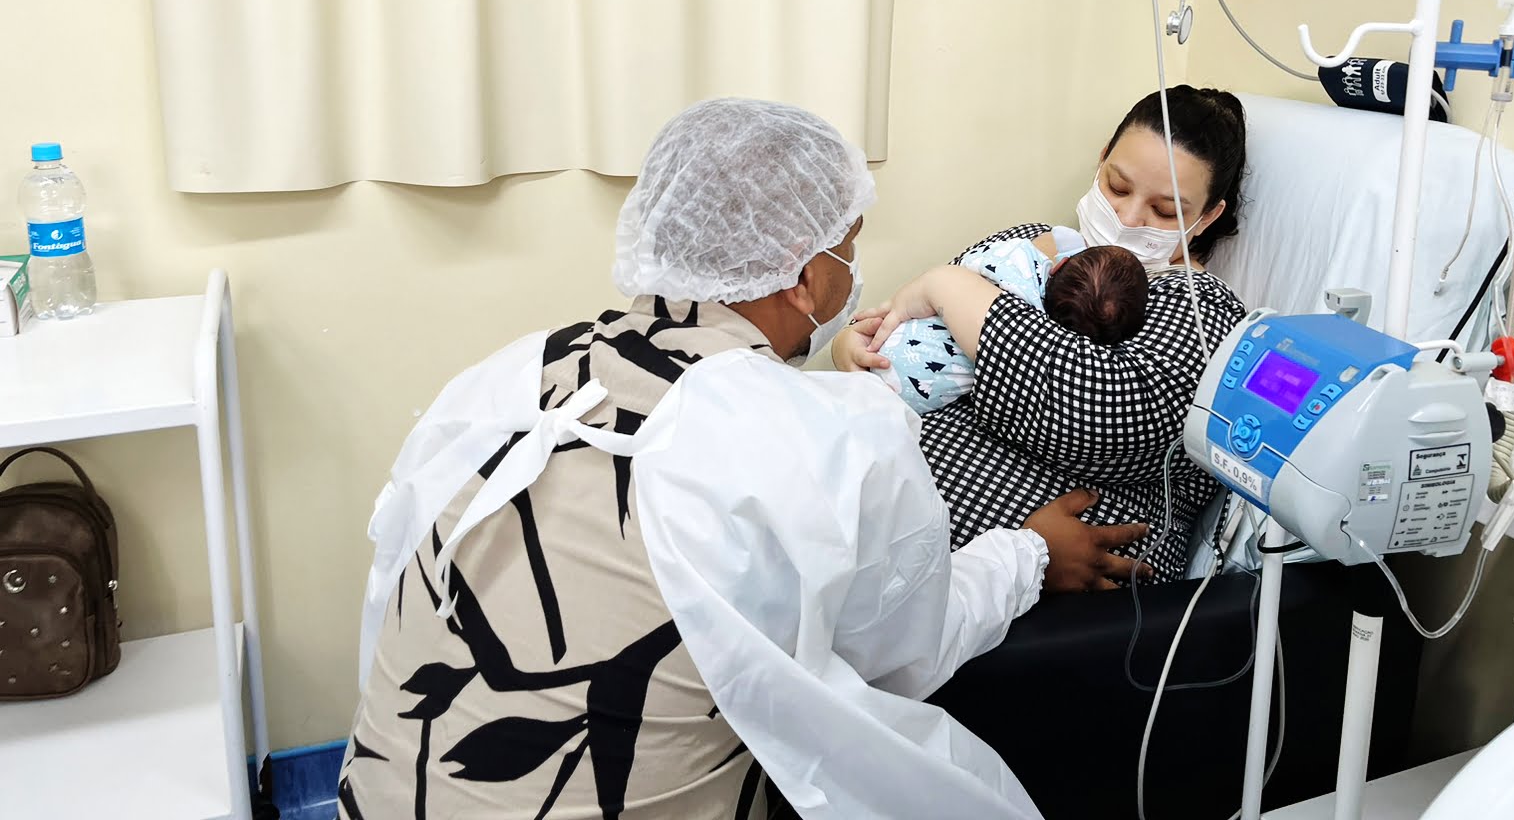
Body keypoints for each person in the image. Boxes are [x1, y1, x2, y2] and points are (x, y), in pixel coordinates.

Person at [339, 98, 1151, 820]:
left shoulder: (507, 375)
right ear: (802, 275)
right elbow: (905, 655)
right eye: (848, 248)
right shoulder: (835, 436)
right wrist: (1028, 554)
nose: (852, 271)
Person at [836, 85, 1249, 584]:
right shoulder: (1024, 241)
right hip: (884, 542)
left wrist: (948, 286)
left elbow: (1092, 415)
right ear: (1101, 161)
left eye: (1165, 212)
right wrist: (853, 347)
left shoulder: (1204, 310)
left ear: (1207, 217)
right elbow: (916, 334)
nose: (1128, 218)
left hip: (1055, 598)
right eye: (1118, 187)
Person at [873, 231, 1148, 415]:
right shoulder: (1039, 335)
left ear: (1058, 265)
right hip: (904, 396)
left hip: (887, 342)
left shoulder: (1019, 255)